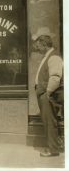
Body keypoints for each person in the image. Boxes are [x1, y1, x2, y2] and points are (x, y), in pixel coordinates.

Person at [32, 27, 63, 157]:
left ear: (45, 45)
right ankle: (55, 146)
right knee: (49, 122)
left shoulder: (53, 57)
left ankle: (53, 149)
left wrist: (48, 93)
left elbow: (55, 77)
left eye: (38, 46)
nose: (37, 49)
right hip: (45, 94)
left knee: (50, 122)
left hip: (47, 95)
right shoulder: (49, 56)